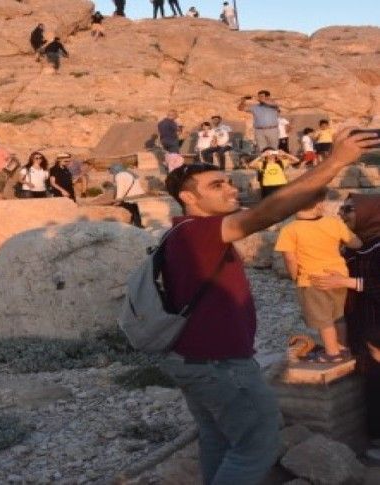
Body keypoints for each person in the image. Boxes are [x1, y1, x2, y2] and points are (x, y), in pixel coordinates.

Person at [159, 129, 378, 485]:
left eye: (229, 181)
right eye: (217, 185)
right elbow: (268, 213)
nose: (231, 189)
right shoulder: (198, 232)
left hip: (195, 359)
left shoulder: (182, 232)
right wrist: (335, 162)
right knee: (256, 446)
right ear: (188, 198)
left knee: (219, 438)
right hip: (221, 364)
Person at [311, 193, 380, 461]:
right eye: (341, 209)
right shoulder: (355, 246)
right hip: (361, 322)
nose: (341, 214)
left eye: (349, 209)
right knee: (369, 379)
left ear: (370, 213)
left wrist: (349, 283)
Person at [275, 190, 362, 361]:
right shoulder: (333, 223)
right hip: (339, 276)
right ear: (320, 205)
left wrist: (294, 276)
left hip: (313, 280)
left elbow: (290, 258)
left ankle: (332, 353)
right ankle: (343, 348)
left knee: (323, 320)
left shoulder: (289, 230)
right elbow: (356, 243)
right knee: (338, 315)